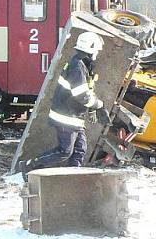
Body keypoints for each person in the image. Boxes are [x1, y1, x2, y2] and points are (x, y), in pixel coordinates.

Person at [25, 31, 104, 171]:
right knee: (65, 151)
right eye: (96, 50)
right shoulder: (78, 66)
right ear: (90, 49)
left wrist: (92, 108)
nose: (97, 54)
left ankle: (73, 176)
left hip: (74, 116)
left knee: (80, 149)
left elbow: (86, 91)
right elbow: (82, 95)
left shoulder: (82, 64)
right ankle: (30, 165)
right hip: (66, 117)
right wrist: (98, 105)